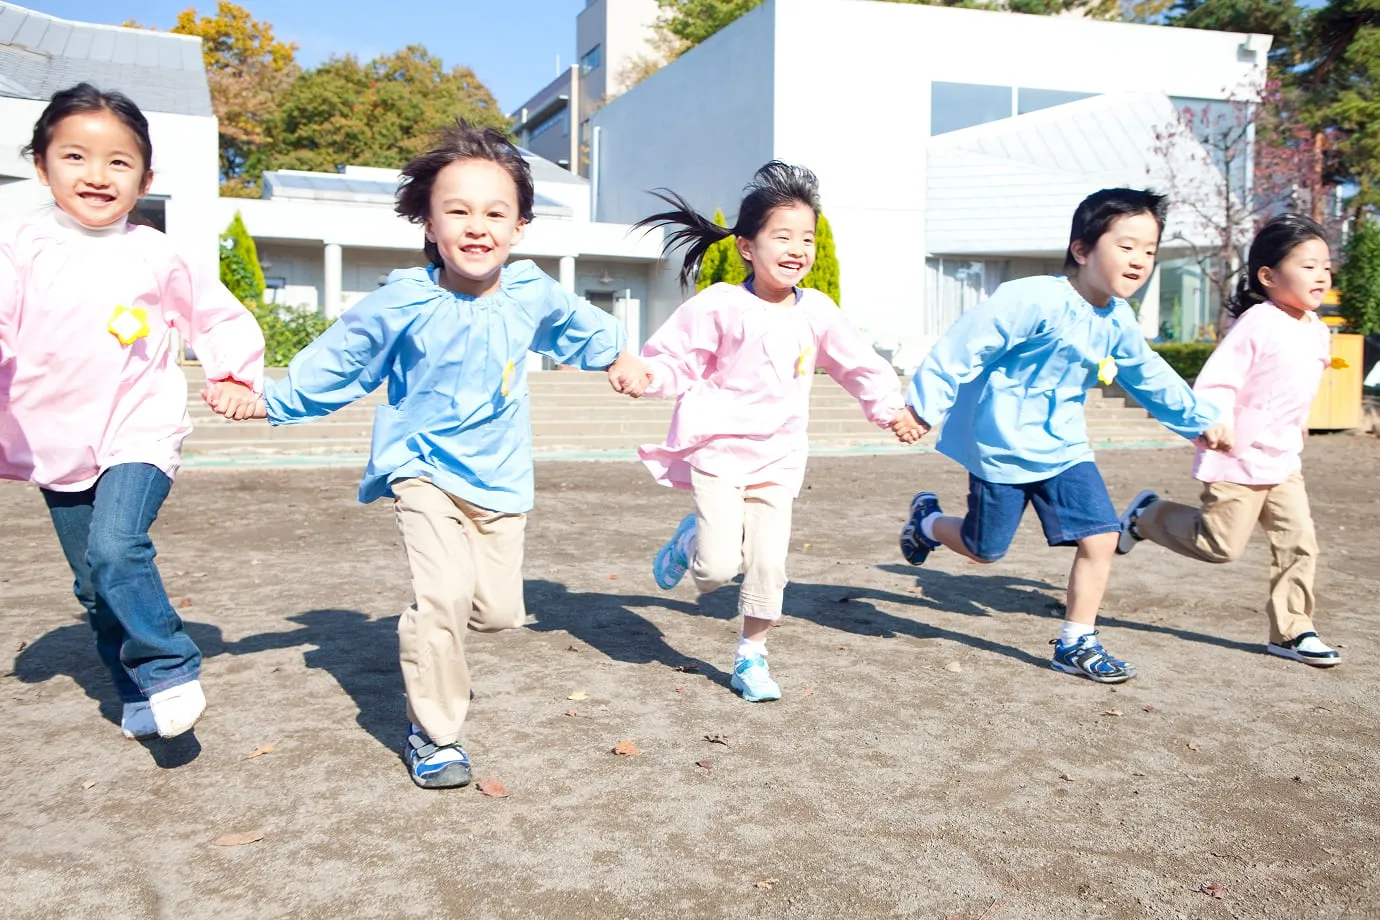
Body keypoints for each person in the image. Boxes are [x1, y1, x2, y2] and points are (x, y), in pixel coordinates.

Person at [207, 121, 649, 787]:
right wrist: (269, 399)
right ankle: (435, 734)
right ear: (429, 222)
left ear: (521, 225)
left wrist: (617, 354)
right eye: (458, 210)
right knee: (441, 597)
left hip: (500, 480)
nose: (478, 226)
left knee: (497, 613)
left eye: (496, 212)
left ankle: (440, 639)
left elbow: (576, 325)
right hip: (423, 469)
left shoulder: (531, 289)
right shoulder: (403, 301)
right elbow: (343, 360)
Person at [0, 83, 266, 738]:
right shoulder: (21, 250)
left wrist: (233, 374)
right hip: (53, 440)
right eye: (75, 157)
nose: (97, 175)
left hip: (138, 426)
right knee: (94, 585)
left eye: (119, 161)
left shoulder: (155, 251)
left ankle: (171, 664)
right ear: (42, 165)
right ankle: (135, 689)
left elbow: (212, 312)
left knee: (117, 548)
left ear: (146, 176)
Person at [897, 188, 1230, 684]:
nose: (1139, 261)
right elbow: (964, 346)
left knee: (1102, 536)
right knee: (985, 549)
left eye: (1150, 251)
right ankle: (927, 523)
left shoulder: (1117, 319)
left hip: (1066, 448)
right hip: (1002, 448)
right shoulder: (1033, 298)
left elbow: (1147, 373)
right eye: (1126, 246)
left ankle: (1076, 641)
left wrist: (1198, 419)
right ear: (1081, 249)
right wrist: (922, 406)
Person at [634, 162, 919, 702]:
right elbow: (676, 359)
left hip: (779, 455)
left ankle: (752, 657)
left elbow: (858, 363)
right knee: (718, 568)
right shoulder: (720, 303)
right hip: (719, 449)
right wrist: (646, 378)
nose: (797, 249)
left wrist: (890, 410)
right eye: (781, 237)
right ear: (747, 246)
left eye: (806, 239)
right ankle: (691, 540)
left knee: (768, 562)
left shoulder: (817, 311)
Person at [1118, 214, 1341, 667]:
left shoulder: (1316, 326)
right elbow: (1219, 381)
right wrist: (1213, 422)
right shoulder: (1259, 322)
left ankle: (1292, 630)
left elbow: (1295, 383)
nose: (1322, 275)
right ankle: (1147, 516)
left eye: (1326, 266)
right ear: (1269, 276)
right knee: (1220, 546)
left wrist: (1298, 421)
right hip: (1237, 456)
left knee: (1299, 542)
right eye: (1309, 265)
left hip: (1282, 461)